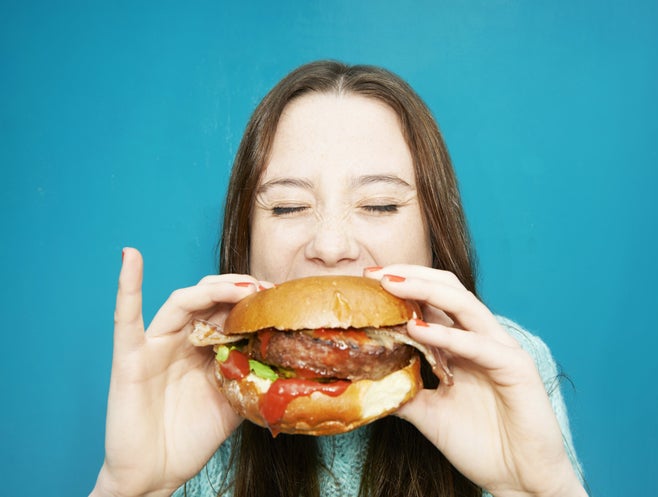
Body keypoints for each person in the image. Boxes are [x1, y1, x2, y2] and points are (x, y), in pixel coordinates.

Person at [90, 60, 587, 497]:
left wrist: (541, 491)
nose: (330, 247)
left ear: (434, 230)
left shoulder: (507, 365)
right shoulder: (190, 378)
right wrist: (129, 490)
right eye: (287, 206)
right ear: (245, 237)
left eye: (379, 204)